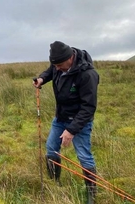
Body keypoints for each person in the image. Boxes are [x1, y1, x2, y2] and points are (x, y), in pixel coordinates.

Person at [33, 41, 99, 203]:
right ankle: (55, 183)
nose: (57, 68)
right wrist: (42, 78)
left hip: (79, 122)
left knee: (84, 156)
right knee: (51, 149)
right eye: (55, 65)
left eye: (60, 65)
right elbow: (50, 71)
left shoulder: (87, 75)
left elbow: (88, 108)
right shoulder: (58, 64)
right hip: (60, 117)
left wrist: (71, 130)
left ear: (70, 58)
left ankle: (91, 194)